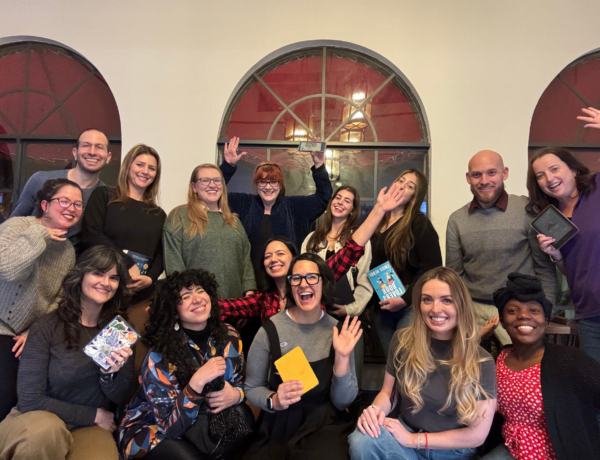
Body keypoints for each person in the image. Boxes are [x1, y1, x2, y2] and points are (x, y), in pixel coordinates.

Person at [0, 245, 136, 460]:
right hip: (38, 419)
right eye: (98, 273)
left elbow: (119, 397)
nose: (105, 283)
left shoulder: (118, 331)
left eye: (114, 278)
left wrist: (109, 374)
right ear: (80, 275)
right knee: (44, 433)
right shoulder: (47, 326)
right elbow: (29, 399)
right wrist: (93, 415)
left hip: (88, 428)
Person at [349, 267, 497, 460]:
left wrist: (414, 440)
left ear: (461, 305)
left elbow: (477, 435)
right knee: (362, 439)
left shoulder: (482, 361)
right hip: (403, 438)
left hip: (451, 452)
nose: (435, 309)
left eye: (447, 300)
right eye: (427, 299)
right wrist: (375, 411)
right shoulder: (402, 341)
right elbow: (388, 394)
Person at [218, 182, 405, 328]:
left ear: (295, 260)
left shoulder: (313, 286)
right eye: (268, 256)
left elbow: (351, 250)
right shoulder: (264, 300)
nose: (273, 259)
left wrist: (379, 210)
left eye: (280, 253)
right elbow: (227, 307)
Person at [244, 252, 363, 460]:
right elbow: (251, 387)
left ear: (323, 283)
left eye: (311, 277)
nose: (303, 284)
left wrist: (342, 358)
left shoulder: (339, 332)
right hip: (277, 425)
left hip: (324, 424)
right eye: (296, 278)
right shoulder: (270, 330)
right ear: (290, 285)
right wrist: (274, 400)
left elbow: (343, 403)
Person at [118, 269, 247, 460]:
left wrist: (236, 395)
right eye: (185, 296)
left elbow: (239, 382)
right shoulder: (160, 356)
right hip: (154, 429)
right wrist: (195, 385)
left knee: (245, 421)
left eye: (200, 291)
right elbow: (169, 427)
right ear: (174, 310)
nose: (197, 299)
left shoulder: (230, 336)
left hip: (203, 420)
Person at [482, 272, 600, 460]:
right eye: (512, 311)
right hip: (511, 449)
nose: (523, 316)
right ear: (502, 322)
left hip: (557, 453)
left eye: (534, 311)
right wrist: (478, 338)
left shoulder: (568, 360)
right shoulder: (500, 360)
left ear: (545, 321)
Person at [446, 150, 557, 348]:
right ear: (468, 178)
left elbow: (544, 268)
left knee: (521, 370)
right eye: (477, 175)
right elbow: (454, 276)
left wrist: (546, 310)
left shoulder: (528, 210)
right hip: (474, 309)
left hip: (518, 308)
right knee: (468, 372)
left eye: (491, 173)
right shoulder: (456, 220)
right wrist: (458, 314)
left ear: (504, 173)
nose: (484, 180)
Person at [0, 178, 83, 422]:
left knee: (14, 396)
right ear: (45, 205)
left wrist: (32, 332)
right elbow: (9, 269)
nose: (71, 208)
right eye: (64, 201)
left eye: (78, 205)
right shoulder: (17, 226)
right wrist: (40, 234)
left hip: (22, 335)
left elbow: (57, 300)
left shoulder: (67, 251)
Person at [526, 140, 600, 363]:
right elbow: (572, 270)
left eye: (554, 169)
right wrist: (556, 255)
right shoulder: (550, 218)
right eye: (540, 175)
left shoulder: (597, 187)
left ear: (574, 169)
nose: (549, 178)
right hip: (588, 313)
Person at [219, 136, 332, 265]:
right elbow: (215, 196)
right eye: (262, 182)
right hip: (250, 280)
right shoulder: (245, 203)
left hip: (286, 280)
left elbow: (324, 197)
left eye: (273, 182)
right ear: (257, 185)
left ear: (280, 185)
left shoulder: (294, 207)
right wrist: (228, 166)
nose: (268, 187)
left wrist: (319, 165)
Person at [301, 185, 373, 388]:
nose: (340, 202)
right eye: (338, 197)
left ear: (353, 209)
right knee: (319, 368)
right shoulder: (311, 239)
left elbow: (365, 280)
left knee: (349, 372)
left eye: (347, 200)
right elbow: (302, 277)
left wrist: (350, 309)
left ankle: (349, 411)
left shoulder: (360, 240)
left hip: (347, 317)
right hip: (316, 316)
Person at [368, 169, 442, 356]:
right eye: (400, 181)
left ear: (415, 196)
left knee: (407, 362)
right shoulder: (376, 223)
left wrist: (404, 299)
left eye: (409, 186)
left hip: (408, 306)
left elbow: (431, 269)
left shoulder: (419, 224)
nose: (402, 186)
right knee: (392, 363)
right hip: (381, 306)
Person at [82, 144, 166, 298]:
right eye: (140, 165)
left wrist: (150, 278)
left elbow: (161, 252)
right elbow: (91, 235)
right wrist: (127, 263)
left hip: (138, 292)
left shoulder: (158, 214)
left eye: (152, 168)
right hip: (102, 286)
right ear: (128, 166)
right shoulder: (104, 196)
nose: (145, 172)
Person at [163, 163, 256, 301]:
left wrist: (249, 293)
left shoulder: (234, 221)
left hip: (234, 306)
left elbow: (245, 260)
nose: (212, 185)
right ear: (194, 187)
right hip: (197, 306)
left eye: (217, 180)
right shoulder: (179, 217)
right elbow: (174, 267)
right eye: (205, 180)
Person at [11, 128, 112, 252]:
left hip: (71, 266)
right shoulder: (40, 180)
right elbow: (12, 225)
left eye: (99, 147)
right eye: (86, 145)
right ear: (75, 153)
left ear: (108, 157)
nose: (92, 152)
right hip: (26, 257)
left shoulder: (107, 196)